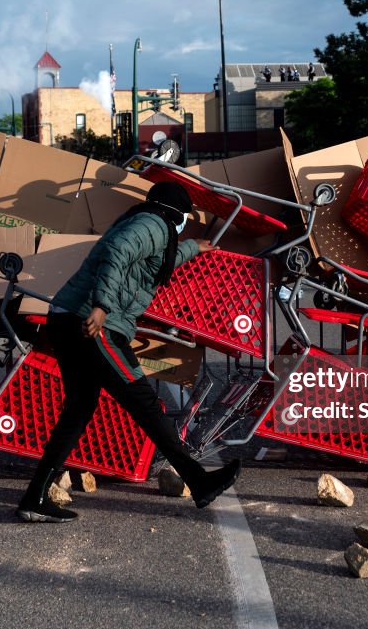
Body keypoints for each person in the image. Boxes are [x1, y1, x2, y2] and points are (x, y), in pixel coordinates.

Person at [16, 182, 242, 523]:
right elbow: (119, 251)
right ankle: (199, 480)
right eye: (185, 218)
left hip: (67, 320)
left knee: (79, 410)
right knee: (144, 403)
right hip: (93, 325)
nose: (184, 224)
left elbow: (154, 264)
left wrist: (194, 247)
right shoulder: (152, 223)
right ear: (175, 212)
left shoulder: (148, 224)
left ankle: (34, 498)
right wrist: (102, 306)